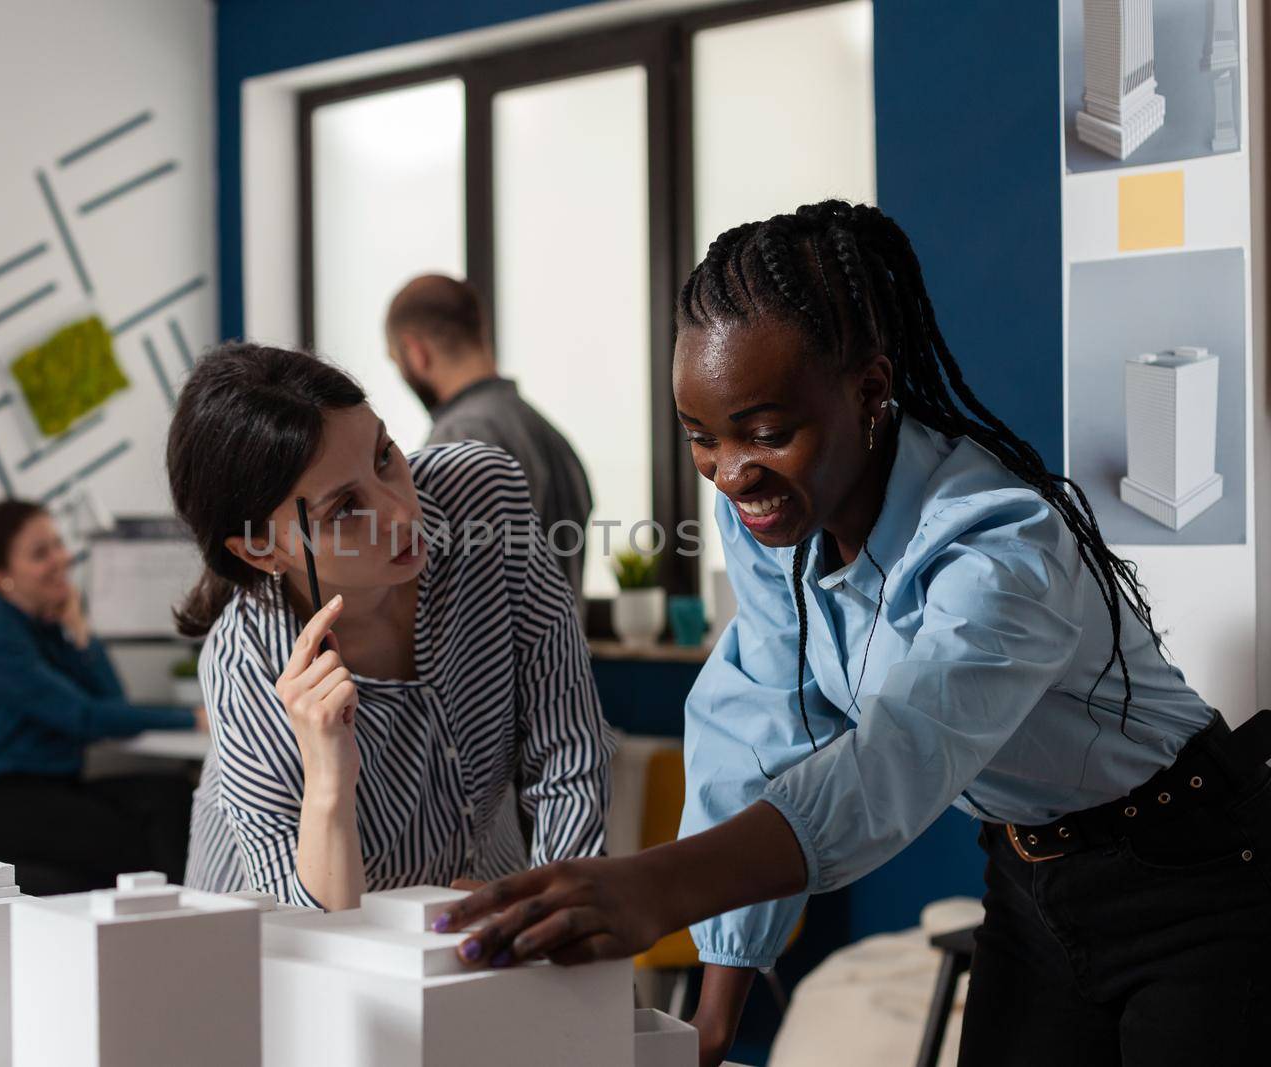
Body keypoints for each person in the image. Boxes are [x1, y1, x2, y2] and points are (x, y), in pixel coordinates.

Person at [432, 201, 1271, 1067]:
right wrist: (710, 1025)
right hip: (1029, 876)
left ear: (870, 391)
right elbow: (752, 730)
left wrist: (651, 885)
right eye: (701, 439)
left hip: (1194, 869)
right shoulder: (776, 522)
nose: (730, 474)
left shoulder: (1003, 548)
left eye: (765, 433)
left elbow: (895, 757)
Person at [169, 342, 613, 911]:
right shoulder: (248, 665)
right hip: (277, 924)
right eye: (345, 509)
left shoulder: (481, 500)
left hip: (480, 891)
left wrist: (553, 912)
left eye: (384, 457)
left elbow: (568, 749)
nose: (403, 511)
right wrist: (328, 774)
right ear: (262, 550)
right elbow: (316, 929)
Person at [0, 499, 205, 893]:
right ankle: (177, 930)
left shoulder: (44, 627)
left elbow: (113, 704)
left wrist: (79, 632)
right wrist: (192, 718)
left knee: (171, 797)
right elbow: (84, 717)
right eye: (41, 553)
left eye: (58, 545)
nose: (61, 559)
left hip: (49, 790)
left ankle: (187, 921)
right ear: (0, 575)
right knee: (143, 842)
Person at [385, 273, 593, 608]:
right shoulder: (553, 438)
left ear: (416, 352)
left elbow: (444, 596)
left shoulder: (456, 441)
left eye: (396, 361)